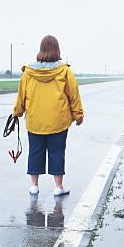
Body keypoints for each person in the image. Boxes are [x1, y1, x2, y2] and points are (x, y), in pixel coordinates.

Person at [12, 35, 84, 196]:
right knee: (57, 152)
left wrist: (17, 112)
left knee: (35, 151)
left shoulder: (28, 73)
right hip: (58, 120)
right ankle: (58, 187)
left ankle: (34, 186)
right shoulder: (65, 71)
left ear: (41, 49)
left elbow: (21, 95)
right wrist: (78, 115)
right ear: (57, 50)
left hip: (35, 120)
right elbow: (74, 95)